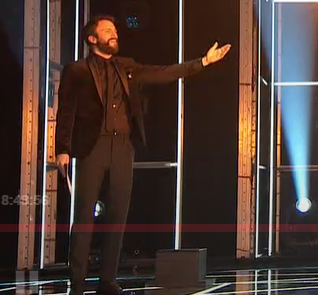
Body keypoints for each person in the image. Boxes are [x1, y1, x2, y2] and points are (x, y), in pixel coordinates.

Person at [55, 15, 231, 295]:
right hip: (92, 147)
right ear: (92, 39)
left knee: (117, 216)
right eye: (107, 30)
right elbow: (66, 111)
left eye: (114, 29)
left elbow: (162, 73)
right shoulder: (76, 71)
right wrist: (62, 149)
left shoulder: (126, 66)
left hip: (123, 147)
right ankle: (77, 283)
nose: (114, 33)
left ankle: (107, 281)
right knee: (84, 216)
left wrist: (202, 62)